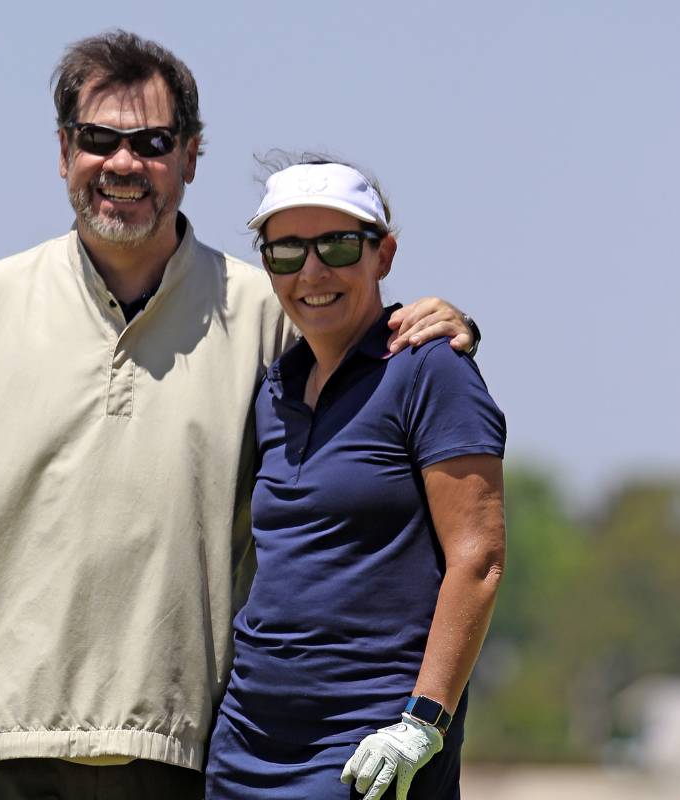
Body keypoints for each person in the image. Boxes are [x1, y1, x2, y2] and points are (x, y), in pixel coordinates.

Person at [0, 32, 479, 799]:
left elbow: (361, 325)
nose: (124, 164)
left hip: (174, 744)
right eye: (99, 139)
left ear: (192, 156)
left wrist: (451, 323)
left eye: (152, 142)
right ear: (64, 152)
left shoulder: (270, 311)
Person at [204, 159, 506, 800]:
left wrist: (423, 722)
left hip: (372, 746)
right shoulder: (274, 385)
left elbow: (477, 559)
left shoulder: (432, 370)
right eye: (286, 251)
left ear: (384, 254)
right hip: (247, 745)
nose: (311, 271)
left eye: (337, 246)